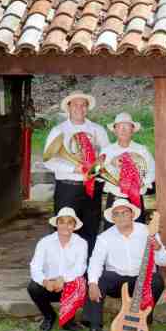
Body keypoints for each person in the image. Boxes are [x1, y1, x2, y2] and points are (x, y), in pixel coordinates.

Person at [82, 198, 166, 331]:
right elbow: (95, 262)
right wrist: (92, 283)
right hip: (118, 281)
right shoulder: (104, 237)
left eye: (125, 212)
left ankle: (144, 319)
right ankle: (96, 329)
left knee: (157, 280)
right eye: (117, 214)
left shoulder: (147, 231)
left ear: (132, 215)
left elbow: (164, 261)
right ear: (113, 218)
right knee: (98, 281)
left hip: (141, 280)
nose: (121, 216)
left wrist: (158, 248)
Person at [43, 90, 110, 253]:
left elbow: (107, 155)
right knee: (65, 230)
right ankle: (64, 272)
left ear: (87, 108)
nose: (79, 108)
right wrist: (74, 168)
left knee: (91, 228)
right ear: (68, 107)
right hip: (67, 188)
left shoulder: (97, 130)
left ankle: (88, 272)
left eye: (83, 105)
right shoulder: (58, 130)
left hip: (91, 187)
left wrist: (91, 171)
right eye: (75, 105)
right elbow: (48, 161)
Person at [28, 207, 88, 331]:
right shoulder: (45, 242)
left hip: (68, 284)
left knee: (80, 283)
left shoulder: (81, 243)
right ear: (57, 224)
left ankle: (68, 321)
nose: (65, 226)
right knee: (33, 287)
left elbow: (80, 267)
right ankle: (49, 316)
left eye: (69, 222)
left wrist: (63, 279)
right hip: (49, 285)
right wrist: (45, 282)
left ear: (75, 226)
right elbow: (35, 266)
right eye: (62, 222)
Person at [100, 112, 155, 223]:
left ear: (133, 130)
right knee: (113, 233)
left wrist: (142, 182)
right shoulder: (107, 151)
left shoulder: (142, 150)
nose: (123, 130)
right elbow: (96, 173)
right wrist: (111, 162)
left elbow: (153, 171)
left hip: (135, 196)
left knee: (138, 231)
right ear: (114, 130)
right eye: (120, 126)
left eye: (127, 126)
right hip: (115, 196)